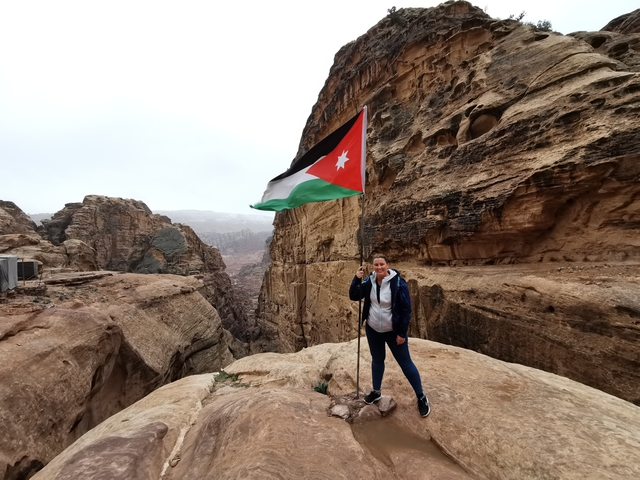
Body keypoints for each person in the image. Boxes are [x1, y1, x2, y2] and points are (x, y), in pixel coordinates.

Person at [349, 254, 430, 417]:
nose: (379, 268)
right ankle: (376, 391)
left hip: (393, 332)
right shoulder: (369, 281)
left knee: (406, 363)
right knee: (377, 361)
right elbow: (354, 295)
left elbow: (406, 310)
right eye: (376, 265)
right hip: (373, 329)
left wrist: (401, 333)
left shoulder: (398, 283)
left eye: (381, 264)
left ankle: (421, 397)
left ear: (387, 265)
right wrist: (356, 279)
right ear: (373, 267)